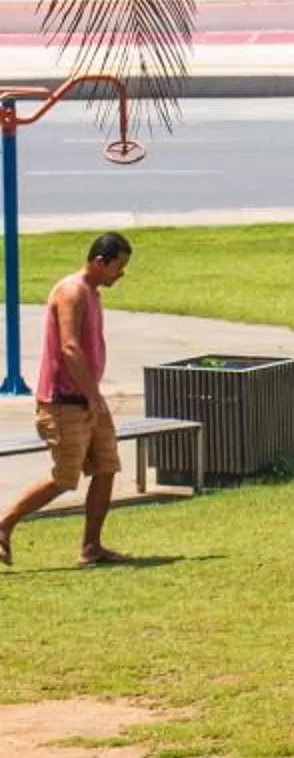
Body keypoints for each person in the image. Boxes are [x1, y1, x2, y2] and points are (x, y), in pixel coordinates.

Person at [2, 231, 133, 568]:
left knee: (107, 466)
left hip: (89, 400)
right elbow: (69, 348)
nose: (122, 273)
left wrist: (94, 398)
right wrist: (92, 395)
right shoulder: (71, 291)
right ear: (100, 261)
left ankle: (91, 548)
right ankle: (4, 523)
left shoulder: (92, 293)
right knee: (65, 478)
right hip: (64, 403)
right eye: (118, 266)